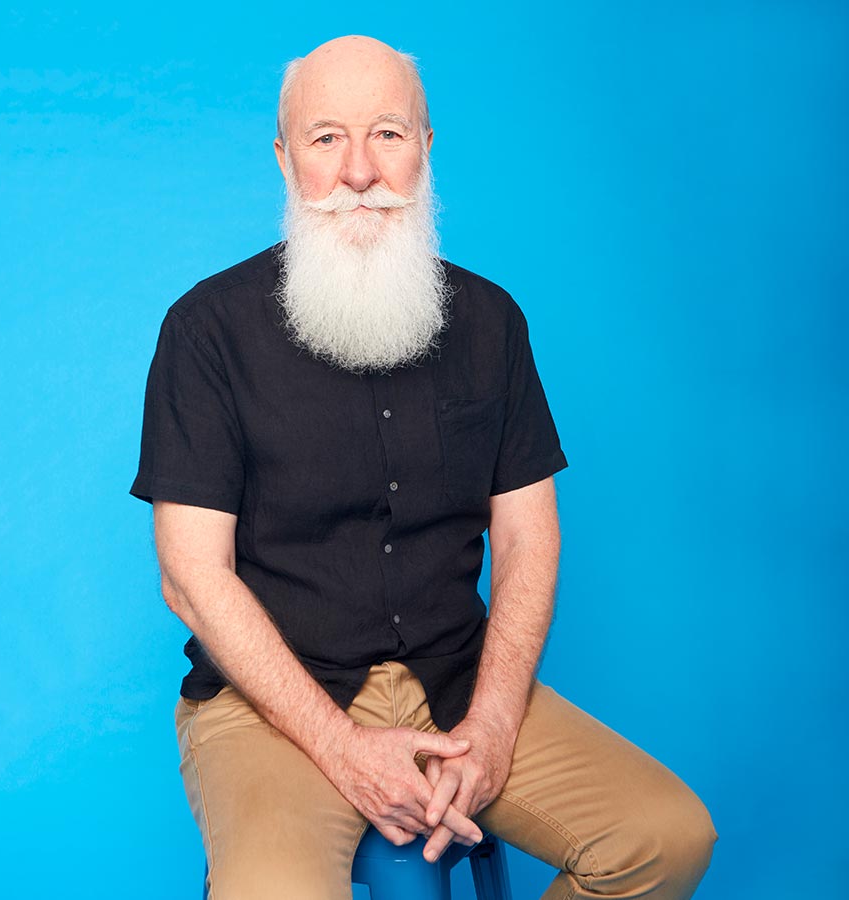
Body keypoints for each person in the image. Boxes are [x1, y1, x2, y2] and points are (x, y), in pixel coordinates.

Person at [129, 35, 716, 899]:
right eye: (327, 138)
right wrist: (339, 746)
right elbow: (190, 575)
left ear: (426, 149)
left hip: (457, 686)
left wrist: (493, 724)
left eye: (389, 134)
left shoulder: (491, 322)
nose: (360, 170)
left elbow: (526, 540)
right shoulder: (207, 329)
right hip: (272, 706)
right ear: (286, 159)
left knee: (666, 837)